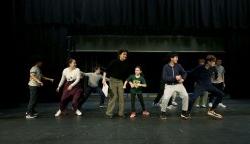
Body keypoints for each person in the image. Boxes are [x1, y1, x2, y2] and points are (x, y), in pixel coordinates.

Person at [160, 53, 190, 120]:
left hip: (179, 85)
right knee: (165, 98)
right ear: (171, 58)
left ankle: (184, 112)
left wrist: (183, 79)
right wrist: (175, 78)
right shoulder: (166, 67)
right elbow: (164, 78)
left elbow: (184, 73)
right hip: (169, 86)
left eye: (177, 57)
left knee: (185, 96)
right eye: (176, 57)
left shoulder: (178, 66)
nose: (177, 59)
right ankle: (163, 113)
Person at [104, 49, 129, 118]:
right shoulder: (114, 62)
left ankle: (121, 113)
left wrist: (126, 83)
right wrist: (104, 79)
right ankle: (109, 113)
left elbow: (127, 75)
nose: (125, 56)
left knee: (121, 97)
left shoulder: (126, 64)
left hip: (120, 81)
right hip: (113, 80)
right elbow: (106, 70)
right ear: (120, 55)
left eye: (126, 54)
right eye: (124, 54)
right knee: (114, 96)